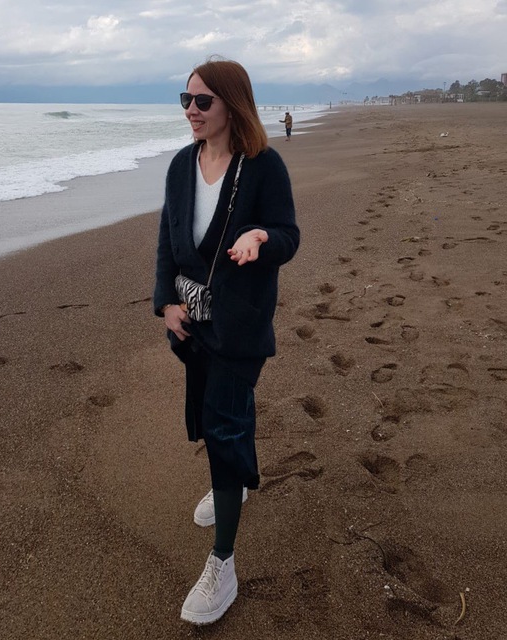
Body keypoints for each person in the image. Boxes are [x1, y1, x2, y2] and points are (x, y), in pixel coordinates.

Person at [153, 57, 300, 625]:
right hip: (192, 320)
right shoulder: (179, 166)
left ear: (231, 105)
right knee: (220, 412)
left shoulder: (263, 166)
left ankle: (223, 564)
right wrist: (165, 302)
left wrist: (261, 237)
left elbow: (289, 235)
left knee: (222, 424)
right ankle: (233, 484)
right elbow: (166, 239)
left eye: (202, 101)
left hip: (241, 324)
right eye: (185, 99)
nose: (191, 110)